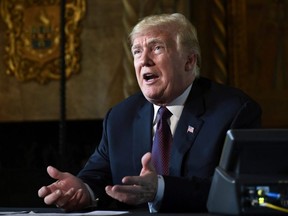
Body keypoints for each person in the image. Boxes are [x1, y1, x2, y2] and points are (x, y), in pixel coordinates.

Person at [38, 13, 262, 213]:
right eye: (137, 51)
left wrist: (161, 189)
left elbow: (238, 191)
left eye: (157, 48)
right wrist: (83, 191)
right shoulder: (120, 117)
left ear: (189, 61)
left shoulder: (234, 111)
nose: (144, 60)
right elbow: (97, 176)